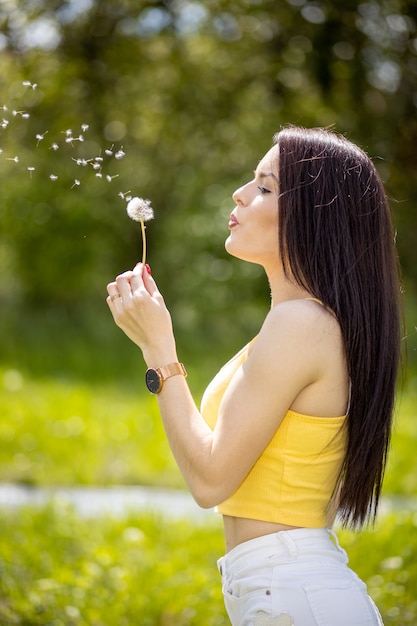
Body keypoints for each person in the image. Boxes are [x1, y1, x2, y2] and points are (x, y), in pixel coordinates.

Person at [106, 126, 402, 625]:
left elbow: (210, 479)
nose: (240, 194)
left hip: (291, 594)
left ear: (315, 218)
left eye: (265, 187)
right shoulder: (307, 323)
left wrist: (158, 347)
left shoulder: (301, 324)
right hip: (284, 589)